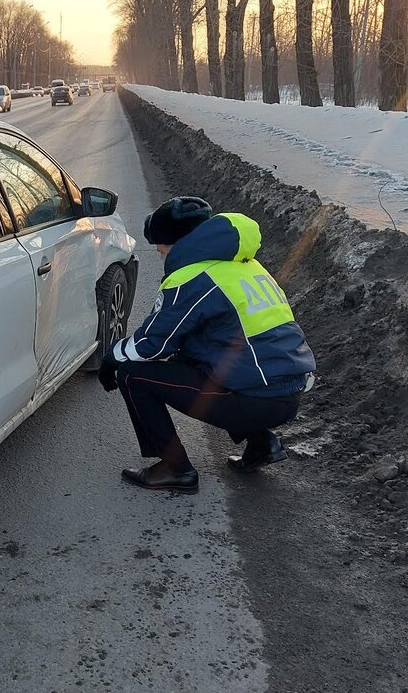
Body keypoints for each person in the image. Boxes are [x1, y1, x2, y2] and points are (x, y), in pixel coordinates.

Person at [98, 197, 316, 494]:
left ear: (177, 242)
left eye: (160, 248)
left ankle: (175, 468)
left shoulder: (194, 277)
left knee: (134, 375)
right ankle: (263, 443)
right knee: (200, 355)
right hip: (288, 392)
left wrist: (112, 358)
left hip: (255, 399)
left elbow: (153, 343)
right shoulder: (246, 267)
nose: (160, 254)